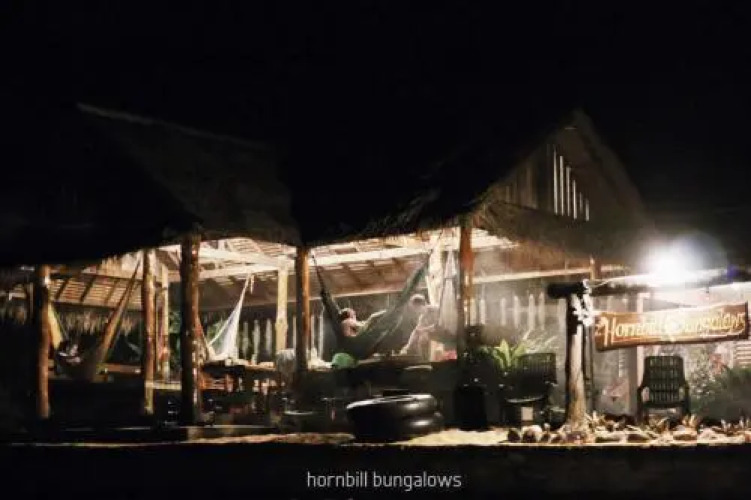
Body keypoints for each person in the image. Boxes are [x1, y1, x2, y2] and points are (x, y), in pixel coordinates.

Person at [401, 294, 456, 360]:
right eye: (414, 309)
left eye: (416, 308)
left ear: (422, 305)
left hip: (451, 334)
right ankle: (424, 359)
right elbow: (416, 331)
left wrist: (424, 330)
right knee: (422, 337)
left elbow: (439, 325)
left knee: (424, 334)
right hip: (442, 339)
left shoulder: (436, 309)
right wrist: (408, 346)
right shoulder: (422, 317)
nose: (416, 312)